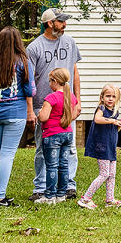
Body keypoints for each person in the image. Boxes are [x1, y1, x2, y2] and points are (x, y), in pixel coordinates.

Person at [0, 27, 36, 208]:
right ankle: (0, 197)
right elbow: (30, 90)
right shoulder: (23, 63)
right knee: (7, 155)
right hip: (15, 114)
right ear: (18, 42)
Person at [27, 8, 82, 200]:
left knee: (70, 148)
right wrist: (30, 110)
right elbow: (29, 80)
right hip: (43, 106)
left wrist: (78, 100)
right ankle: (41, 188)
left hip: (67, 106)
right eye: (61, 21)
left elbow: (74, 73)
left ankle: (68, 186)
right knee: (43, 148)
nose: (65, 24)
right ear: (50, 23)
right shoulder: (34, 48)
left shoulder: (70, 42)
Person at [79, 83, 121, 209]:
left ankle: (110, 200)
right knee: (104, 174)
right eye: (108, 96)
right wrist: (112, 120)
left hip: (111, 147)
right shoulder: (101, 109)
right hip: (102, 146)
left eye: (113, 96)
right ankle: (85, 199)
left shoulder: (114, 112)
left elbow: (113, 130)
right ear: (102, 97)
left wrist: (119, 124)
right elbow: (97, 120)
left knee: (112, 174)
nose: (110, 99)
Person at [36, 68, 79, 205]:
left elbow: (43, 117)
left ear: (55, 81)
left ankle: (49, 196)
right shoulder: (71, 97)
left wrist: (38, 114)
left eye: (50, 81)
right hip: (67, 134)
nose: (49, 84)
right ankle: (61, 194)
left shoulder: (51, 98)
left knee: (52, 166)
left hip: (52, 135)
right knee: (63, 165)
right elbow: (73, 115)